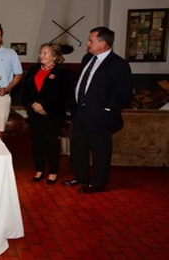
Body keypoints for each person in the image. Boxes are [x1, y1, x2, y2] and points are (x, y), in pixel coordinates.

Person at [62, 27, 132, 193]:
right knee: (78, 148)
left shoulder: (119, 64)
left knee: (100, 152)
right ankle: (81, 178)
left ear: (103, 42)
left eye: (91, 41)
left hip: (101, 115)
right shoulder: (88, 58)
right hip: (81, 112)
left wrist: (107, 109)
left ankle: (98, 183)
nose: (88, 44)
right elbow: (82, 83)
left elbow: (124, 94)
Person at [22, 43, 70, 185]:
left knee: (51, 142)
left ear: (54, 57)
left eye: (45, 53)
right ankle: (39, 169)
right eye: (41, 52)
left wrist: (44, 105)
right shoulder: (33, 69)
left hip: (52, 114)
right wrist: (33, 104)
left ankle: (53, 172)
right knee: (37, 142)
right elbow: (25, 90)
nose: (41, 56)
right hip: (35, 113)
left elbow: (61, 94)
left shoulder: (62, 72)